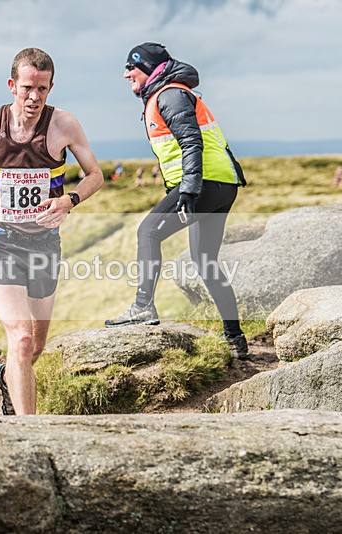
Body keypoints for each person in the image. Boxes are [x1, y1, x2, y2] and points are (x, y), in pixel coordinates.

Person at [0, 48, 103, 415]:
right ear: (11, 85)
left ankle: (7, 375)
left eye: (43, 88)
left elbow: (95, 176)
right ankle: (29, 435)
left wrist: (69, 201)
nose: (34, 97)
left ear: (51, 87)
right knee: (19, 339)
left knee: (34, 347)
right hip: (0, 242)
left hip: (44, 244)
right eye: (27, 88)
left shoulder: (64, 125)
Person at [105, 42, 249, 360]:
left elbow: (190, 140)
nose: (126, 73)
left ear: (150, 69)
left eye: (132, 66)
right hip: (222, 183)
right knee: (204, 260)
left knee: (148, 232)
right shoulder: (170, 92)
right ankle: (234, 338)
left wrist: (187, 189)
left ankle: (142, 307)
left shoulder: (168, 94)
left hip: (204, 184)